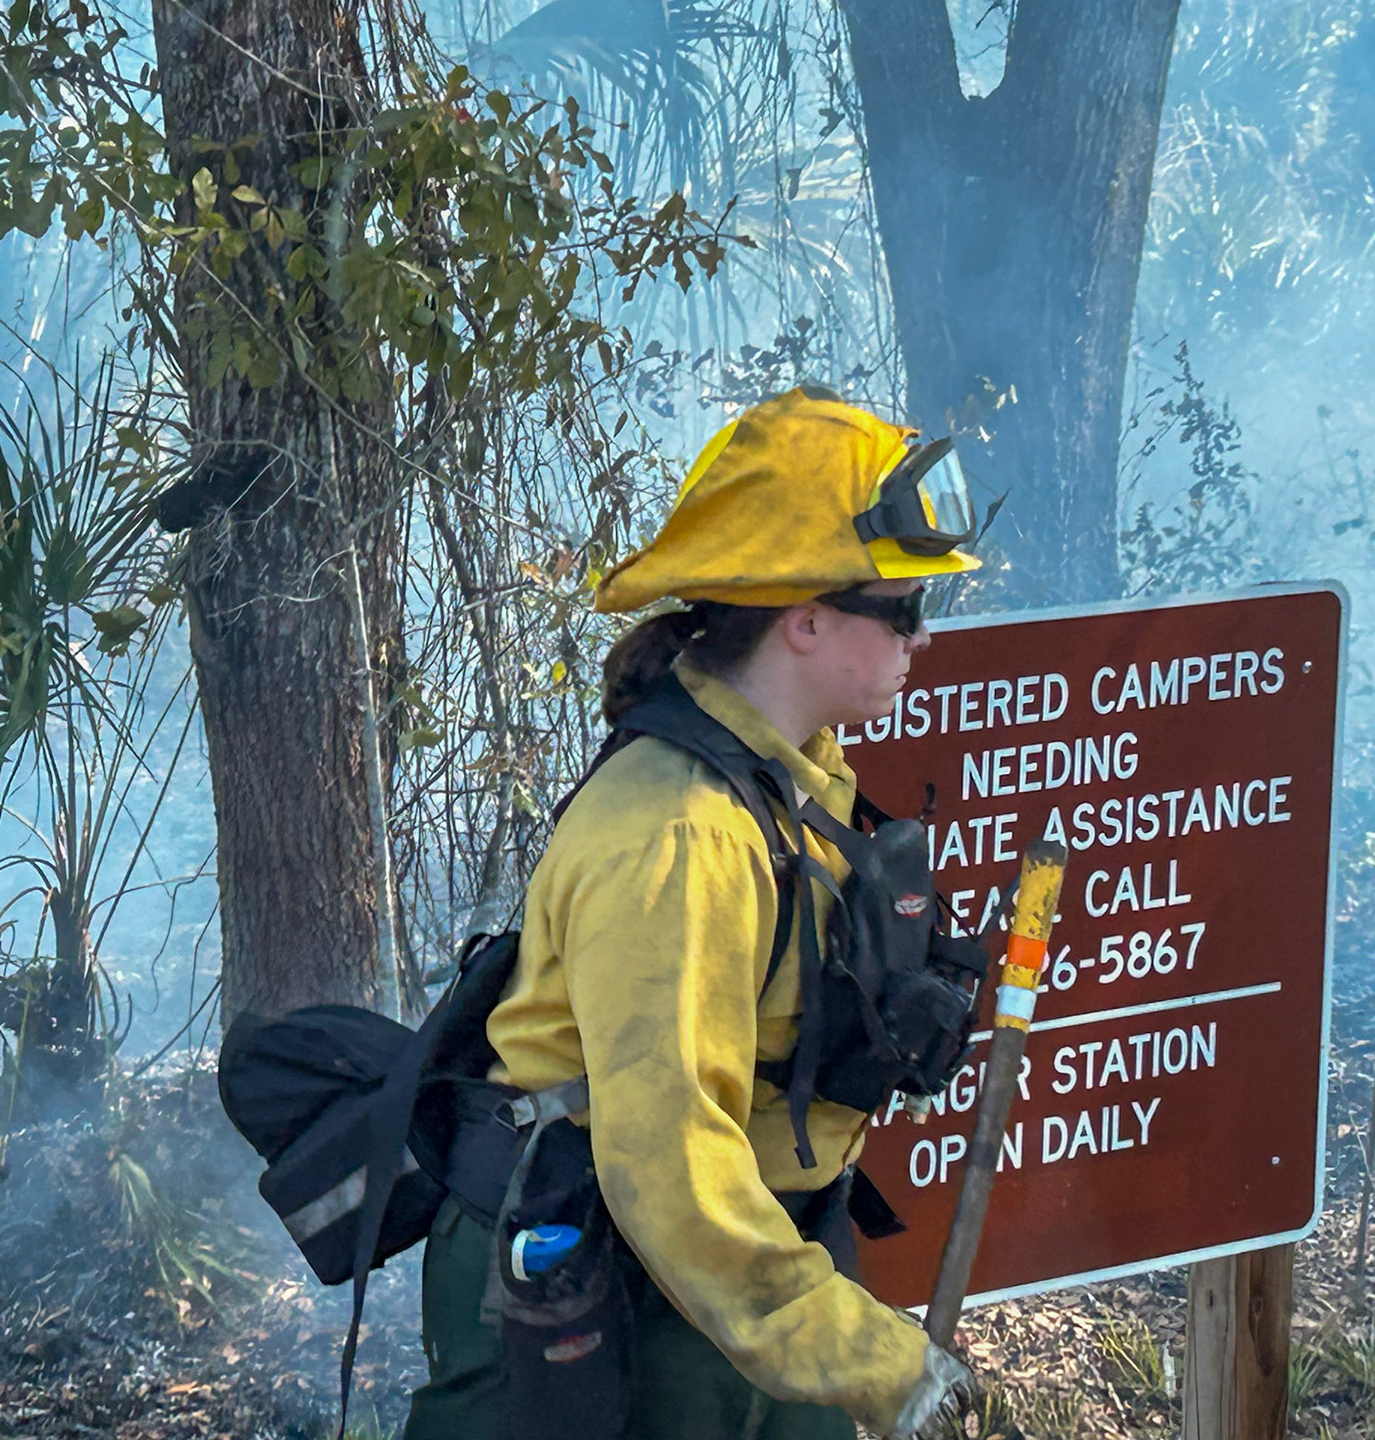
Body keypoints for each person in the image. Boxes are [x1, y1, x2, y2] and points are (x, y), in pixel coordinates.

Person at [404, 387, 982, 1440]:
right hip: (598, 1287)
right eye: (903, 609)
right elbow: (671, 1171)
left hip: (737, 1279)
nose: (922, 642)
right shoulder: (680, 835)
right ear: (807, 619)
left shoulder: (796, 783)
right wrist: (878, 1361)